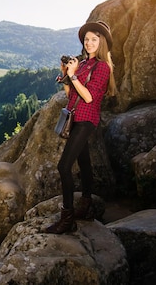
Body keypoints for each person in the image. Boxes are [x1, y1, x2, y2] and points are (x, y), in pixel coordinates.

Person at [46, 20, 117, 234]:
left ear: (102, 42)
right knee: (84, 162)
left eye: (94, 39)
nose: (89, 43)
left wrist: (74, 75)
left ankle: (67, 219)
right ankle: (86, 205)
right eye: (86, 39)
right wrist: (68, 76)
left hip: (86, 120)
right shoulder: (84, 64)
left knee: (63, 167)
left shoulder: (103, 67)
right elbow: (72, 96)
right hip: (75, 118)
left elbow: (88, 97)